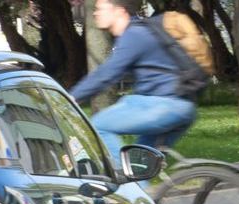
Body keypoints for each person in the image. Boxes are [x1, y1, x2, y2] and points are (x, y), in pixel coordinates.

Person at [69, 0, 197, 169]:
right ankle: (134, 189)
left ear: (120, 11)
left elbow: (107, 73)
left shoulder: (134, 35)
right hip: (180, 107)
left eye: (100, 9)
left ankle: (120, 175)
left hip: (164, 106)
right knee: (138, 168)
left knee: (99, 126)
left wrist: (72, 97)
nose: (95, 13)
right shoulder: (140, 32)